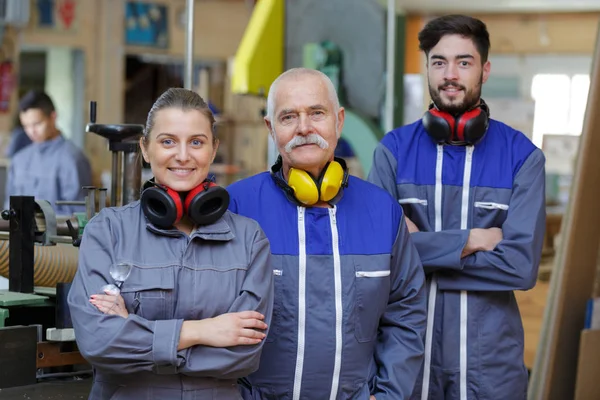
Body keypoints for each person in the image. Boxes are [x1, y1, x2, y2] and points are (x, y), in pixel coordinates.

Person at [368, 15, 546, 400]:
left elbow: (520, 266)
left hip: (490, 366)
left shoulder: (523, 157)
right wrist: (473, 239)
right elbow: (379, 255)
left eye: (463, 62)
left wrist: (420, 254)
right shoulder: (393, 152)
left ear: (484, 69)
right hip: (407, 362)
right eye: (438, 62)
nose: (450, 74)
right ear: (427, 67)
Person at [227, 67, 428, 399]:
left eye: (316, 113)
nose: (304, 127)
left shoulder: (382, 211)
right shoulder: (237, 207)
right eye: (289, 116)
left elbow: (406, 310)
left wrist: (390, 394)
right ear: (270, 127)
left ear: (339, 120)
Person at [67, 88, 274, 400]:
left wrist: (134, 330)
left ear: (213, 149)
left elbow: (242, 355)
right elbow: (100, 343)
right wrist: (203, 332)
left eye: (196, 142)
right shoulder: (109, 231)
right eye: (167, 141)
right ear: (146, 149)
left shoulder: (248, 239)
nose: (182, 155)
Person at [4, 90, 92, 215]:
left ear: (53, 117)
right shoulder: (19, 160)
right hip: (19, 234)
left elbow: (79, 215)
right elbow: (9, 208)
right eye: (26, 126)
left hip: (56, 234)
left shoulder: (73, 159)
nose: (31, 131)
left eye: (37, 124)